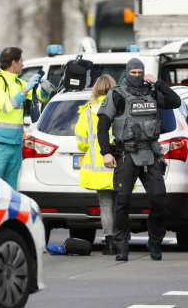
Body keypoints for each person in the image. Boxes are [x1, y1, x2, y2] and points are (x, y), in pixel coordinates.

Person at [97, 58, 181, 262]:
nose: (136, 76)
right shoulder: (116, 94)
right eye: (132, 72)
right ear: (127, 72)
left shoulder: (151, 92)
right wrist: (106, 152)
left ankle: (154, 242)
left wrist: (158, 83)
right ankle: (121, 246)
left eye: (139, 72)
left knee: (159, 198)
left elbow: (175, 102)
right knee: (122, 202)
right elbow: (102, 125)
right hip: (126, 153)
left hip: (150, 152)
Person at [0, 47, 41, 189]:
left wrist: (45, 89)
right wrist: (26, 90)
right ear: (14, 62)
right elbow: (6, 106)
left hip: (16, 145)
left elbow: (41, 97)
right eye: (21, 61)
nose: (23, 64)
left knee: (11, 190)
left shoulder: (20, 83)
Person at [76, 74, 117, 255]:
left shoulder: (87, 111)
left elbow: (82, 142)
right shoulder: (119, 108)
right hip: (119, 163)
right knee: (119, 204)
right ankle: (119, 239)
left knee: (106, 204)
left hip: (97, 166)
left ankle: (109, 242)